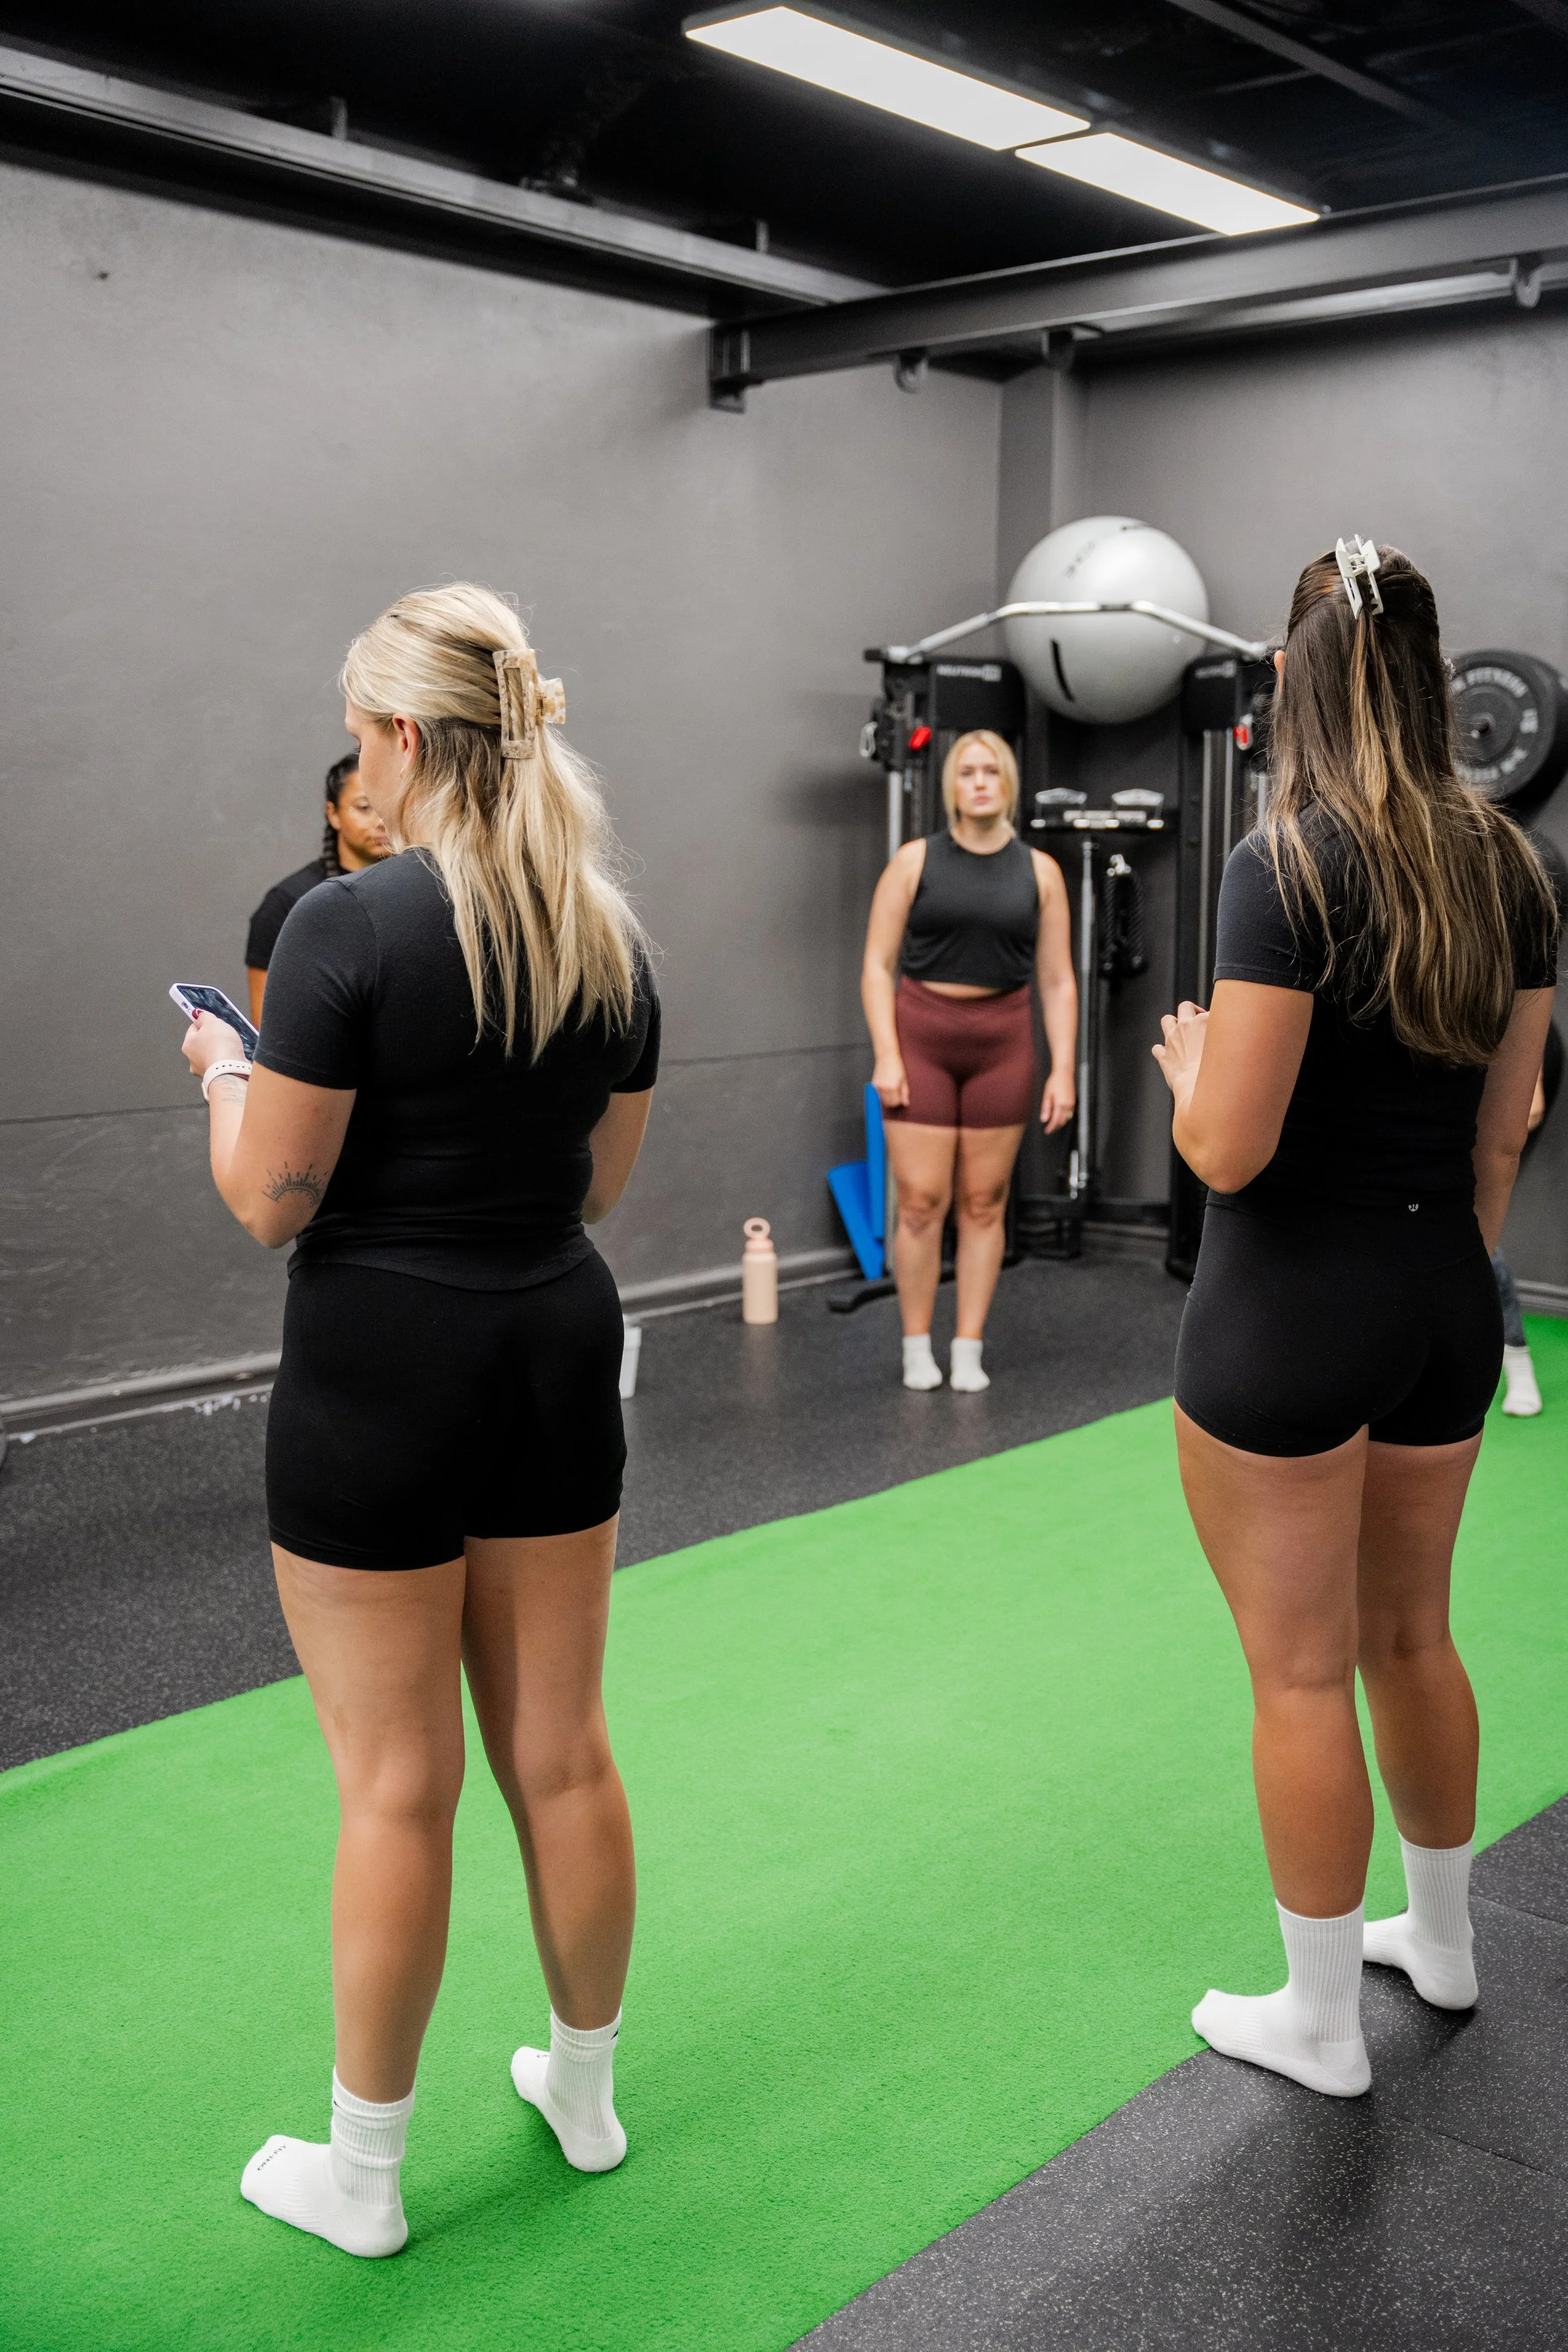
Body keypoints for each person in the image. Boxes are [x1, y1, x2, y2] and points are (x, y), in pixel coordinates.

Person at [179, 583, 657, 2256]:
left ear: (395, 738)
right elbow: (596, 1179)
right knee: (563, 1748)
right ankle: (582, 2094)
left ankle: (363, 2181)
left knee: (396, 1784)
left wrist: (226, 1074)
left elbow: (273, 1198)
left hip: (384, 1356)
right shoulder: (605, 931)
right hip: (551, 1335)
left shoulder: (343, 928)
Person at [1153, 538, 1558, 2100]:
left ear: (1289, 681)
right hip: (1440, 1299)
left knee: (1301, 1671)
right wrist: (1437, 1268)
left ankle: (1320, 2022)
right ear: (1431, 673)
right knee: (1412, 1632)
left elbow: (1232, 1149)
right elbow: (1506, 1125)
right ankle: (1440, 1942)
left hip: (1289, 1315)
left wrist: (1188, 1075)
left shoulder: (1291, 864)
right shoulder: (1514, 866)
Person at [861, 729, 1076, 1392]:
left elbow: (1057, 981)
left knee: (984, 1204)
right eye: (966, 772)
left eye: (991, 771)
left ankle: (968, 1346)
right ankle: (916, 1344)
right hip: (922, 1037)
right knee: (921, 1203)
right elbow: (876, 965)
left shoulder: (1040, 872)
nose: (979, 781)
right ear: (951, 786)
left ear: (1007, 784)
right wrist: (887, 1057)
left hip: (1003, 1044)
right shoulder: (913, 862)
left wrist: (1064, 1069)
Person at [1491, 829, 1566, 1416]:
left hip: (1481, 1133)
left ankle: (1517, 1361)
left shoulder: (1512, 983)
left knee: (1478, 1248)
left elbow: (1531, 1106)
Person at [245, 752, 393, 1025]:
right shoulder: (287, 904)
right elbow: (267, 1030)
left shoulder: (420, 893)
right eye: (364, 807)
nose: (381, 820)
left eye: (390, 805)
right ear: (333, 814)